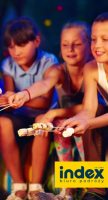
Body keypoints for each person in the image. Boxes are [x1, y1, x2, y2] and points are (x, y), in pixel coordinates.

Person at [7, 21, 94, 200]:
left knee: (77, 129)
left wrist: (53, 113)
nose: (70, 49)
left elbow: (89, 107)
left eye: (77, 44)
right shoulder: (58, 70)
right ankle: (67, 188)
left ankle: (90, 187)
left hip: (91, 120)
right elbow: (45, 84)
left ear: (90, 46)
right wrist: (25, 94)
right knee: (58, 128)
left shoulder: (93, 70)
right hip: (66, 121)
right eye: (65, 45)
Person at [0, 17, 59, 200]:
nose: (16, 51)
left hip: (46, 114)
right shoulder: (8, 65)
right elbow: (10, 102)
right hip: (22, 115)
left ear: (36, 41)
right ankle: (19, 186)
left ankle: (36, 188)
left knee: (41, 122)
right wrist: (5, 100)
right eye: (11, 46)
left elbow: (45, 102)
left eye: (21, 45)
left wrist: (19, 99)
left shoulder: (48, 61)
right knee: (3, 122)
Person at [57, 12, 108, 200]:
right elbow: (89, 109)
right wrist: (76, 121)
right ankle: (95, 190)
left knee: (91, 123)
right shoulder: (92, 68)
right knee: (91, 117)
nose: (98, 45)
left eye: (105, 39)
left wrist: (88, 123)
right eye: (94, 39)